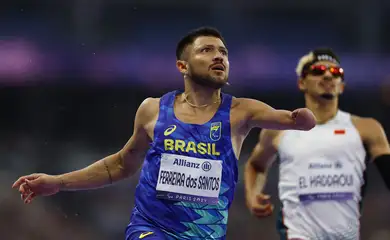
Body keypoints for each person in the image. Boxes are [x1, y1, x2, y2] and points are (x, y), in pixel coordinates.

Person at [12, 27, 316, 240]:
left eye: (223, 52)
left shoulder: (242, 112)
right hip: (150, 229)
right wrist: (58, 182)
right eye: (207, 50)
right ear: (183, 65)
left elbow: (287, 118)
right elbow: (120, 165)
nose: (219, 57)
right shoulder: (153, 110)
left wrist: (298, 119)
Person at [244, 48, 390, 240]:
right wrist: (252, 194)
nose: (328, 75)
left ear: (342, 86)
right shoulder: (279, 130)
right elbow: (256, 164)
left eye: (336, 72)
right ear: (301, 82)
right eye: (319, 70)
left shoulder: (367, 129)